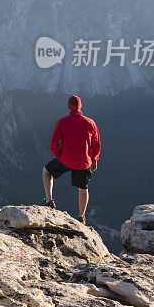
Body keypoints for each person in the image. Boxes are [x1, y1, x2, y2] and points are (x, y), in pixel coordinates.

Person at [42, 95, 100, 224]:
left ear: (69, 106)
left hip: (65, 159)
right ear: (81, 106)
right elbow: (96, 143)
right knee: (83, 188)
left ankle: (48, 201)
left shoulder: (62, 122)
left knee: (46, 171)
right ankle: (81, 217)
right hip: (83, 161)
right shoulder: (90, 123)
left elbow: (53, 142)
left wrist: (58, 155)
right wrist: (94, 160)